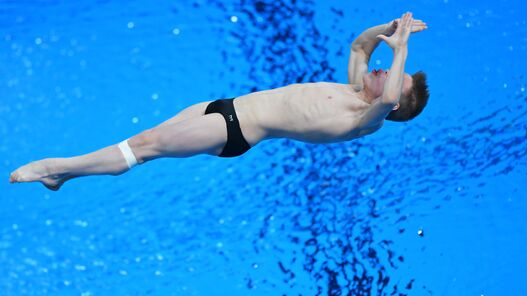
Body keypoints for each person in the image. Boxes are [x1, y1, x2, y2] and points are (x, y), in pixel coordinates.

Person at [10, 12, 429, 191]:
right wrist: (390, 28)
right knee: (147, 139)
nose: (379, 70)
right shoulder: (356, 89)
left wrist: (401, 51)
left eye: (388, 74)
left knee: (141, 149)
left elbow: (390, 92)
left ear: (392, 106)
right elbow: (359, 46)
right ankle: (63, 179)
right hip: (224, 106)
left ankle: (55, 167)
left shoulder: (367, 117)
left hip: (234, 131)